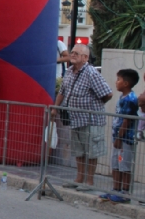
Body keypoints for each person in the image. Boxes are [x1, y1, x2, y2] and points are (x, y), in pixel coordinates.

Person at [52, 44, 112, 189]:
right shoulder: (70, 72)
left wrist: (93, 107)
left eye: (76, 53)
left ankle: (89, 182)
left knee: (91, 152)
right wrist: (55, 107)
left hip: (91, 120)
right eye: (72, 52)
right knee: (78, 151)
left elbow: (107, 94)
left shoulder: (91, 73)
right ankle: (79, 178)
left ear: (85, 57)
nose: (72, 55)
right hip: (75, 119)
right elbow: (62, 91)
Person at [109, 69, 139, 194]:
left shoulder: (130, 99)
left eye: (118, 80)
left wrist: (119, 138)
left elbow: (126, 120)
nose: (116, 82)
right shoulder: (122, 97)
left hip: (125, 139)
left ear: (126, 83)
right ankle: (116, 189)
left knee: (124, 165)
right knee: (115, 163)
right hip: (117, 137)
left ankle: (125, 192)